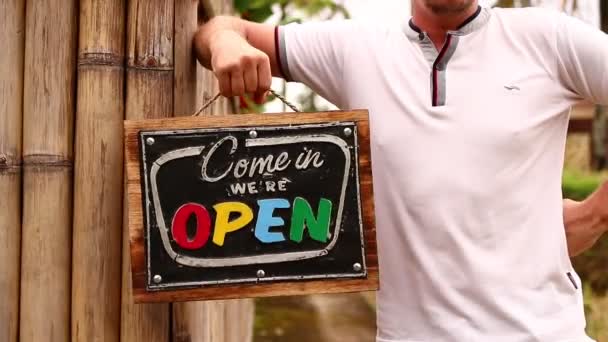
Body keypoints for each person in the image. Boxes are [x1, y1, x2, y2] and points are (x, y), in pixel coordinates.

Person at [193, 1, 608, 340]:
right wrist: (227, 42)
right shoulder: (355, 51)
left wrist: (595, 213)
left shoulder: (549, 39)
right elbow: (219, 30)